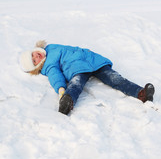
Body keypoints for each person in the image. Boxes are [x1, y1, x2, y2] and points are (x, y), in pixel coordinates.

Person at [20, 40, 155, 115]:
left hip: (92, 60)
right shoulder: (48, 66)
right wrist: (61, 89)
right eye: (34, 61)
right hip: (75, 68)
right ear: (36, 68)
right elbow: (55, 76)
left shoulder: (50, 47)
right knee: (76, 84)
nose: (35, 57)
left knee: (115, 78)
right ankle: (67, 101)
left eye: (33, 54)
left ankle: (141, 93)